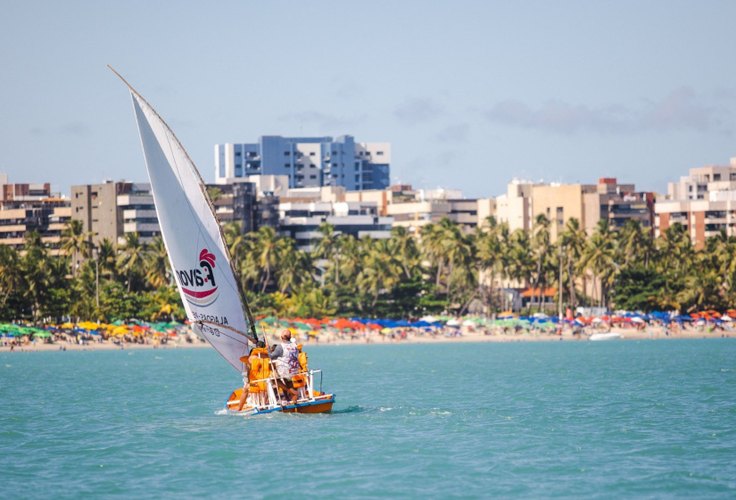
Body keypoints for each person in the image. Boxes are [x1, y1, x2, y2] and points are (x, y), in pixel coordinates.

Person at [270, 330, 300, 403]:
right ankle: (294, 398)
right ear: (290, 337)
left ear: (281, 337)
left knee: (273, 379)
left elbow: (271, 356)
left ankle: (291, 392)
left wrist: (268, 349)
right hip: (294, 370)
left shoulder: (280, 347)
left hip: (285, 370)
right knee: (288, 381)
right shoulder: (295, 345)